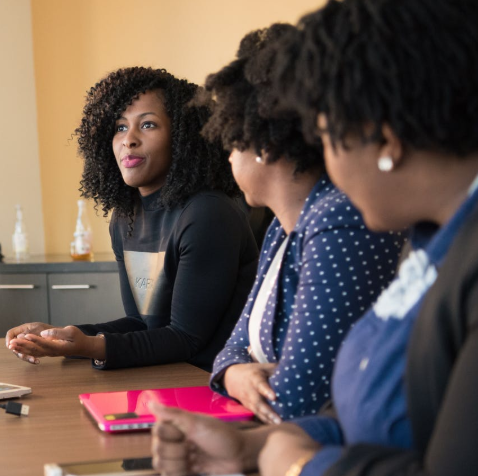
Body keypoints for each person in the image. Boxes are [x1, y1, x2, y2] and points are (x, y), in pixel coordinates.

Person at [150, 0, 478, 475]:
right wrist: (255, 448)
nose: (326, 165)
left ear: (385, 138)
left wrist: (300, 465)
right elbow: (358, 411)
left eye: (326, 137)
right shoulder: (435, 244)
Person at [201, 24, 404, 423]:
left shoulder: (339, 219)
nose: (228, 159)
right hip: (269, 435)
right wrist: (236, 375)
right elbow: (231, 348)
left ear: (264, 143)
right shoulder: (281, 227)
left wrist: (240, 377)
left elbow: (297, 398)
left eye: (232, 143)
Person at [6, 67, 259, 371]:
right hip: (165, 378)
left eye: (148, 125)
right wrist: (60, 337)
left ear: (181, 136)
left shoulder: (208, 214)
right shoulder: (124, 219)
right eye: (120, 127)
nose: (129, 140)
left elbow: (187, 339)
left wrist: (90, 346)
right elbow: (142, 323)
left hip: (211, 386)